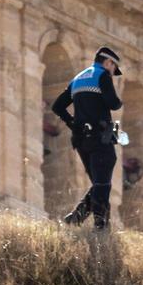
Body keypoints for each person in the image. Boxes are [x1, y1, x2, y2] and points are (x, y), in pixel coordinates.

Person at [51, 46, 124, 229]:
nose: (113, 72)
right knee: (103, 184)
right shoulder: (102, 76)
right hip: (100, 137)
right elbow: (113, 104)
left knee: (99, 183)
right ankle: (101, 227)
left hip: (81, 140)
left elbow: (58, 106)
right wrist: (118, 99)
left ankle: (75, 218)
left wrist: (72, 123)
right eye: (114, 68)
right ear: (108, 62)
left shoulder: (78, 79)